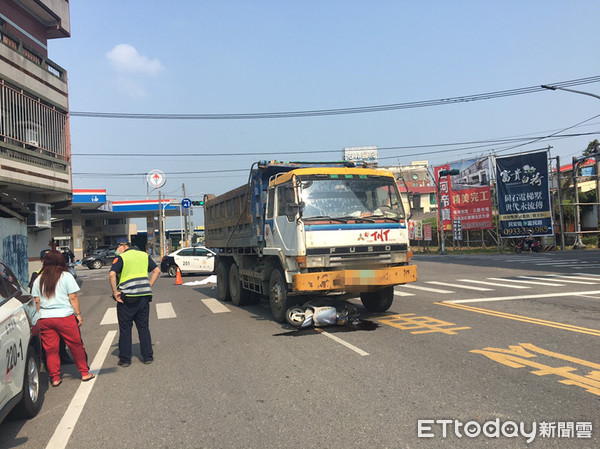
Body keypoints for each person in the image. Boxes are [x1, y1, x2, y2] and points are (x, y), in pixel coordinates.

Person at [31, 250, 95, 386]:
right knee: (76, 345)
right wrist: (78, 314)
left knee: (51, 350)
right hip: (65, 317)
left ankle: (55, 378)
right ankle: (84, 373)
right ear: (62, 261)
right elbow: (73, 297)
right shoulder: (66, 276)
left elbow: (36, 300)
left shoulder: (39, 278)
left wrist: (40, 315)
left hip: (45, 318)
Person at [109, 238, 160, 367]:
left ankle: (125, 359)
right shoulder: (144, 255)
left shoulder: (122, 258)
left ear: (124, 246)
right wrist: (149, 285)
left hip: (127, 298)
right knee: (143, 327)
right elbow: (157, 271)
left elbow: (112, 274)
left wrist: (115, 292)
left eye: (117, 247)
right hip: (143, 296)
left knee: (125, 329)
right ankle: (147, 356)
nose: (116, 250)